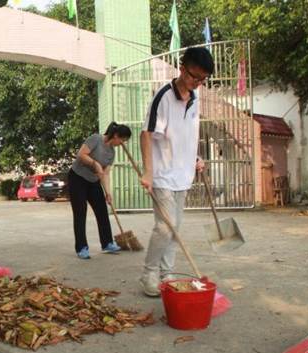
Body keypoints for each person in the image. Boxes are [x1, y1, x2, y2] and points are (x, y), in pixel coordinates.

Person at [138, 47, 214, 296]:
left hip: (183, 175)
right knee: (165, 227)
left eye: (203, 79)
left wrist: (195, 157)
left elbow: (187, 134)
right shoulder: (163, 97)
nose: (198, 83)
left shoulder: (195, 98)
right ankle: (149, 273)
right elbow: (146, 134)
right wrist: (148, 172)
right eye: (195, 77)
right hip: (162, 175)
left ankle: (167, 274)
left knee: (175, 228)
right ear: (182, 68)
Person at [69, 122, 132, 259]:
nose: (122, 143)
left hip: (93, 181)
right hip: (77, 178)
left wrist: (108, 193)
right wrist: (94, 163)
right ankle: (81, 247)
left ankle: (107, 243)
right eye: (122, 140)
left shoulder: (111, 153)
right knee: (80, 212)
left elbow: (106, 174)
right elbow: (81, 154)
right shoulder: (95, 139)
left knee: (102, 211)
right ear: (115, 135)